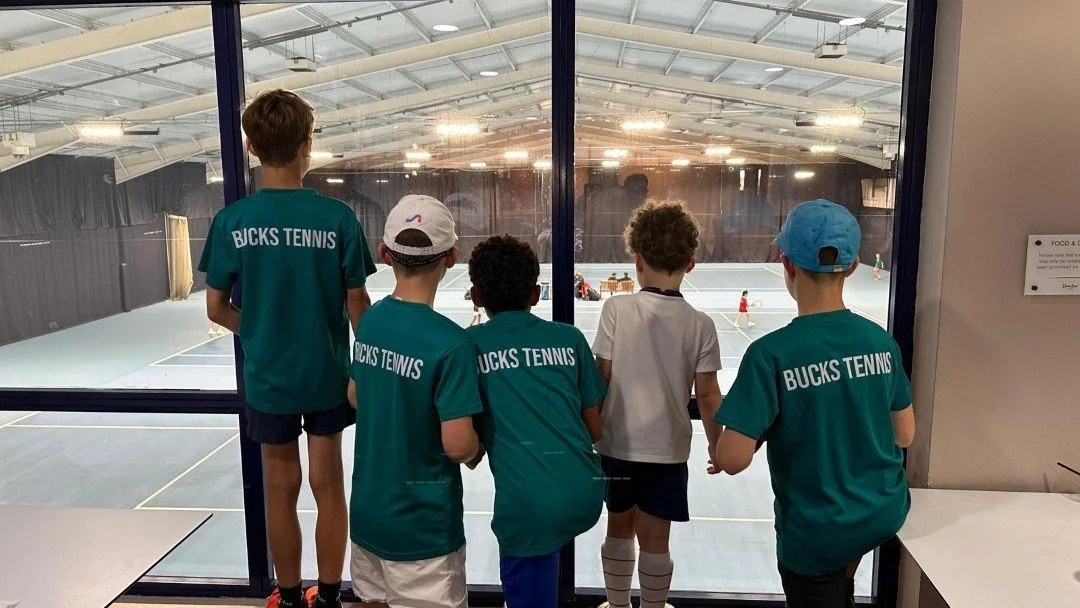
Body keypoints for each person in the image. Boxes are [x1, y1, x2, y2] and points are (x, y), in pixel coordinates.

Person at [198, 89, 376, 608]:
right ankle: (330, 595)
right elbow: (357, 302)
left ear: (251, 147)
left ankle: (290, 595)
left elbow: (216, 309)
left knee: (280, 487)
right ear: (308, 145)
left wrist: (256, 332)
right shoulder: (338, 219)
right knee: (327, 485)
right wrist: (361, 367)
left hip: (269, 382)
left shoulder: (233, 221)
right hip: (327, 379)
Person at [711, 200, 915, 608]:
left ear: (785, 264)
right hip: (881, 511)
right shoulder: (880, 342)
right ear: (854, 266)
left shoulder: (771, 354)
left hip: (817, 530)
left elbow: (732, 459)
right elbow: (905, 434)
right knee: (842, 577)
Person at [347, 195, 482, 608]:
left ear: (385, 256)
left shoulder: (370, 322)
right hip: (422, 531)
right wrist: (481, 444)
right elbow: (458, 446)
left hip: (368, 518)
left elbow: (355, 396)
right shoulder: (452, 344)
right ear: (453, 257)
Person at [593, 200, 723, 608]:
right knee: (656, 535)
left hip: (618, 445)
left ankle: (616, 604)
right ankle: (653, 605)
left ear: (637, 259)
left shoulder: (616, 309)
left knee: (618, 528)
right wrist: (717, 446)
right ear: (691, 263)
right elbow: (707, 395)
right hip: (668, 451)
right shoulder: (701, 324)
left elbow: (601, 380)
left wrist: (588, 433)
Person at [466, 234, 606, 608]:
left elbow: (467, 447)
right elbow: (595, 429)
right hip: (586, 490)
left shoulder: (469, 346)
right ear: (534, 294)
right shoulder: (570, 338)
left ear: (477, 297)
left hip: (527, 507)